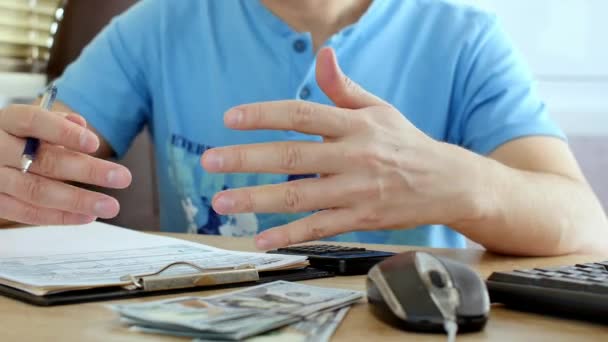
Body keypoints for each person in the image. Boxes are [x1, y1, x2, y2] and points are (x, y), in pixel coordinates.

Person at [0, 0, 606, 256]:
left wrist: (457, 182)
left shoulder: (462, 36)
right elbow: (32, 169)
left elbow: (585, 226)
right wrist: (11, 171)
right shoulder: (158, 22)